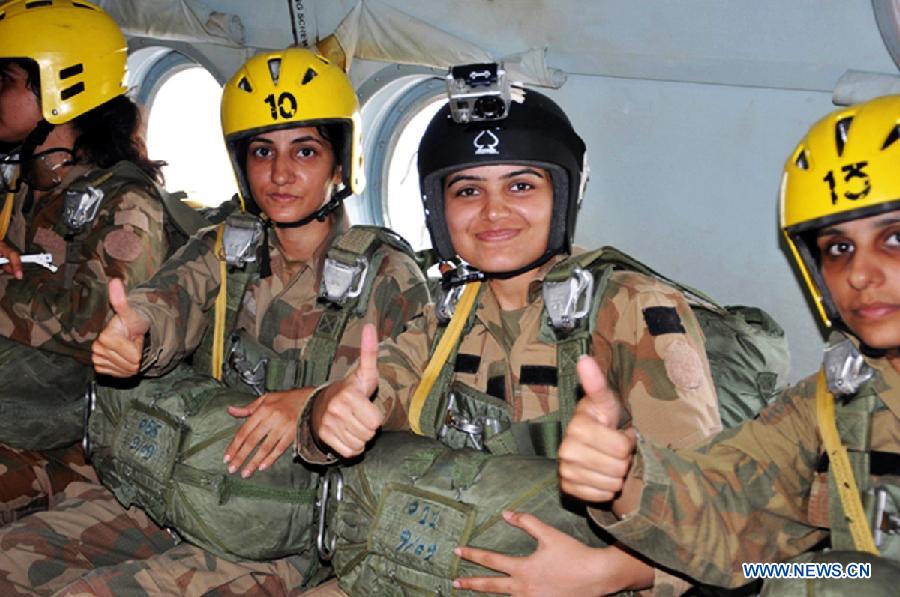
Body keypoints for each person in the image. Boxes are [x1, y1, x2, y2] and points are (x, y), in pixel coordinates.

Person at [0, 47, 430, 595]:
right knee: (13, 556)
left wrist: (317, 402)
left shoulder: (389, 275)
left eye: (305, 150)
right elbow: (172, 296)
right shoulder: (230, 245)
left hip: (285, 527)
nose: (279, 173)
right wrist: (136, 334)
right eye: (260, 151)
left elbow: (407, 385)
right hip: (186, 481)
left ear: (341, 163)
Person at [297, 88, 723, 595]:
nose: (494, 213)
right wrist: (327, 413)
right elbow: (378, 387)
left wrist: (608, 571)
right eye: (468, 191)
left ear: (561, 197)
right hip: (436, 565)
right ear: (441, 209)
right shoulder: (451, 311)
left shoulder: (633, 310)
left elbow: (716, 526)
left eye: (521, 186)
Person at [557, 94, 900, 592]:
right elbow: (726, 512)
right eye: (839, 248)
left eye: (894, 238)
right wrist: (623, 477)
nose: (861, 274)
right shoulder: (837, 398)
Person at [0, 0, 170, 524]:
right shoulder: (31, 182)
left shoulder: (126, 204)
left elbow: (102, 325)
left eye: (5, 81)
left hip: (65, 445)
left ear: (60, 90)